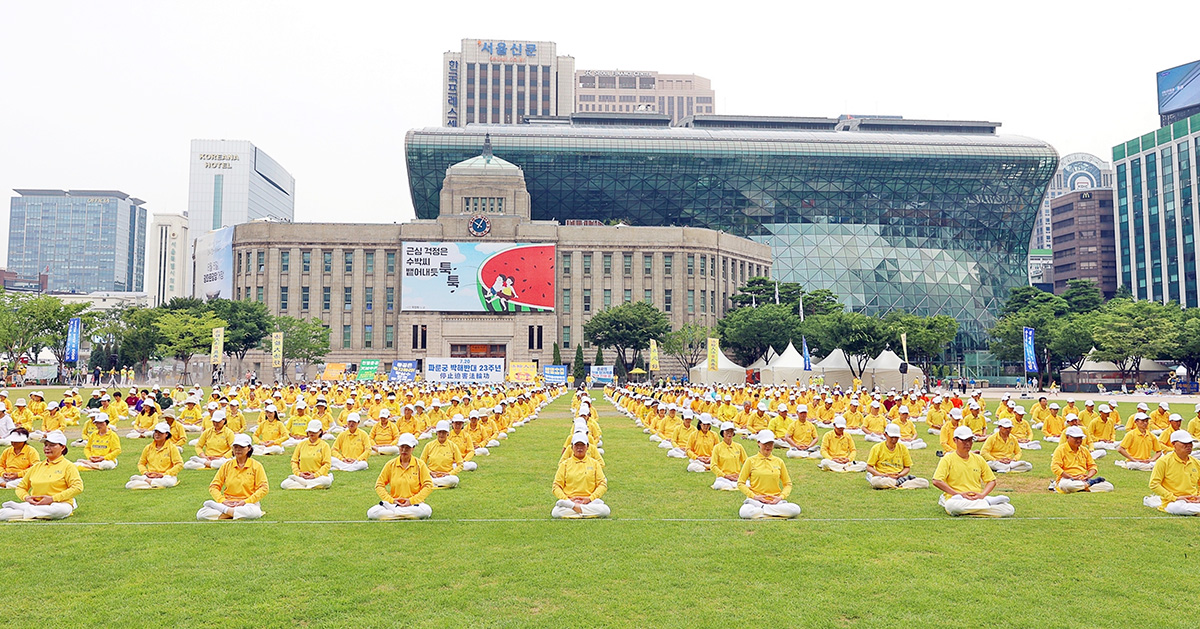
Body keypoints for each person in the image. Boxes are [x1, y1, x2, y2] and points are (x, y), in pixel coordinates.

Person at [931, 426, 1014, 517]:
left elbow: (992, 481)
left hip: (976, 498)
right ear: (955, 440)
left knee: (1009, 509)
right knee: (951, 506)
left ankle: (974, 508)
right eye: (964, 440)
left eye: (970, 440)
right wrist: (958, 494)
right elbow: (936, 480)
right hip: (956, 498)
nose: (968, 444)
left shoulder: (978, 459)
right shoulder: (947, 459)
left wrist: (982, 495)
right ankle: (986, 504)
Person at [0, 431, 82, 521]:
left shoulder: (68, 466)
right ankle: (29, 511)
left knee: (59, 510)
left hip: (59, 503)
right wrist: (26, 497)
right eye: (46, 445)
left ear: (62, 447)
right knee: (3, 514)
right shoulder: (37, 466)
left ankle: (21, 509)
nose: (47, 448)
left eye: (52, 445)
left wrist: (52, 499)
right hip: (36, 504)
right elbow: (21, 487)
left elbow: (77, 487)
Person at [196, 434, 268, 520]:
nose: (238, 449)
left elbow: (264, 488)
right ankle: (232, 512)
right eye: (235, 447)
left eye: (241, 447)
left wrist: (246, 501)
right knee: (201, 514)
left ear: (249, 448)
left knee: (254, 513)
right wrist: (222, 501)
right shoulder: (226, 465)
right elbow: (214, 486)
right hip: (228, 502)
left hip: (248, 503)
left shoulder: (256, 466)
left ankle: (225, 511)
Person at [736, 430, 802, 519]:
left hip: (775, 501)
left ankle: (764, 510)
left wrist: (780, 497)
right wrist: (754, 496)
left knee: (795, 509)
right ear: (758, 443)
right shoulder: (750, 461)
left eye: (770, 443)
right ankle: (773, 512)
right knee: (744, 512)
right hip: (756, 501)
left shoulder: (779, 461)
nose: (768, 446)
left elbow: (788, 484)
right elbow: (740, 483)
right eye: (765, 443)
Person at [368, 433, 433, 520]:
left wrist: (411, 501)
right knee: (372, 513)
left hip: (414, 504)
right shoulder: (390, 464)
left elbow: (428, 485)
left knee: (426, 511)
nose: (404, 450)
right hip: (394, 504)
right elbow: (379, 485)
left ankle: (394, 515)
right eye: (402, 447)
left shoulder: (420, 465)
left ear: (413, 448)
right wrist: (391, 500)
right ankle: (403, 514)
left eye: (407, 448)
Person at [552, 433, 610, 518]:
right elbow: (556, 486)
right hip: (570, 501)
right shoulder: (565, 464)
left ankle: (576, 510)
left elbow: (602, 484)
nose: (579, 448)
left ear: (587, 447)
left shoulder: (594, 464)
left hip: (590, 501)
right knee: (556, 512)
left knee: (605, 510)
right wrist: (567, 500)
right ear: (572, 447)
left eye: (582, 445)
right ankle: (584, 512)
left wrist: (590, 498)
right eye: (577, 445)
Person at [1145, 430, 1200, 515]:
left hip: (1194, 500)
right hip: (1174, 501)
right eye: (1184, 443)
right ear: (1174, 444)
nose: (1189, 446)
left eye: (1190, 443)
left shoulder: (1196, 462)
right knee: (1175, 507)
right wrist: (1174, 498)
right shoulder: (1164, 461)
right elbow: (1154, 484)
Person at [1049, 426, 1113, 493]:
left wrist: (1088, 476)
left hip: (1083, 479)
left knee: (1109, 487)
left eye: (1080, 438)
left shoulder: (1084, 450)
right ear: (1067, 437)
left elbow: (1092, 466)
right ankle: (1086, 486)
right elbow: (1055, 467)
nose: (1079, 440)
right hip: (1068, 479)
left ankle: (1083, 486)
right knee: (1064, 485)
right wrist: (1071, 477)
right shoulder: (1060, 449)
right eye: (1076, 438)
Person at [865, 424, 929, 489]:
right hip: (883, 477)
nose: (894, 439)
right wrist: (882, 475)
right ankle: (900, 484)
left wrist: (900, 475)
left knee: (924, 482)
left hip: (898, 477)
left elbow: (907, 467)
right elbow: (869, 467)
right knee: (876, 481)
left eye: (896, 437)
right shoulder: (877, 448)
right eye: (891, 437)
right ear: (885, 435)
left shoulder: (903, 448)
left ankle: (896, 483)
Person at [125, 423, 183, 490]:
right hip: (151, 476)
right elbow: (141, 463)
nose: (157, 434)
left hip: (166, 476)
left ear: (166, 434)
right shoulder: (148, 447)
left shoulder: (172, 448)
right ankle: (151, 483)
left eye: (160, 433)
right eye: (156, 432)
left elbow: (179, 464)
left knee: (168, 482)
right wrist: (145, 472)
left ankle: (147, 482)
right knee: (129, 485)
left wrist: (164, 474)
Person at [281, 420, 333, 489]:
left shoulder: (324, 445)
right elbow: (294, 461)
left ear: (320, 431)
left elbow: (327, 464)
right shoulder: (301, 444)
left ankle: (305, 485)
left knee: (326, 481)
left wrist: (315, 475)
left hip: (318, 477)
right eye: (310, 431)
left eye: (314, 432)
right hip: (302, 477)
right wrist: (299, 473)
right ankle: (309, 485)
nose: (312, 433)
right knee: (284, 484)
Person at [420, 420, 462, 489]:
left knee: (455, 480)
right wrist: (430, 472)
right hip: (432, 475)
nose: (441, 434)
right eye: (440, 432)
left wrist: (449, 473)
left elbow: (460, 464)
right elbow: (421, 463)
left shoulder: (453, 446)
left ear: (447, 433)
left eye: (444, 432)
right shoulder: (429, 445)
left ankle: (432, 483)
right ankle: (436, 483)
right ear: (436, 433)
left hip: (446, 476)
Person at [710, 421, 747, 491]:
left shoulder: (739, 446)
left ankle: (735, 486)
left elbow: (746, 463)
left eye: (731, 431)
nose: (729, 433)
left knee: (749, 484)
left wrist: (741, 475)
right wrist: (725, 475)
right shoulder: (717, 447)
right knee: (718, 485)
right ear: (722, 433)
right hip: (723, 478)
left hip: (736, 477)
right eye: (727, 431)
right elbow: (713, 466)